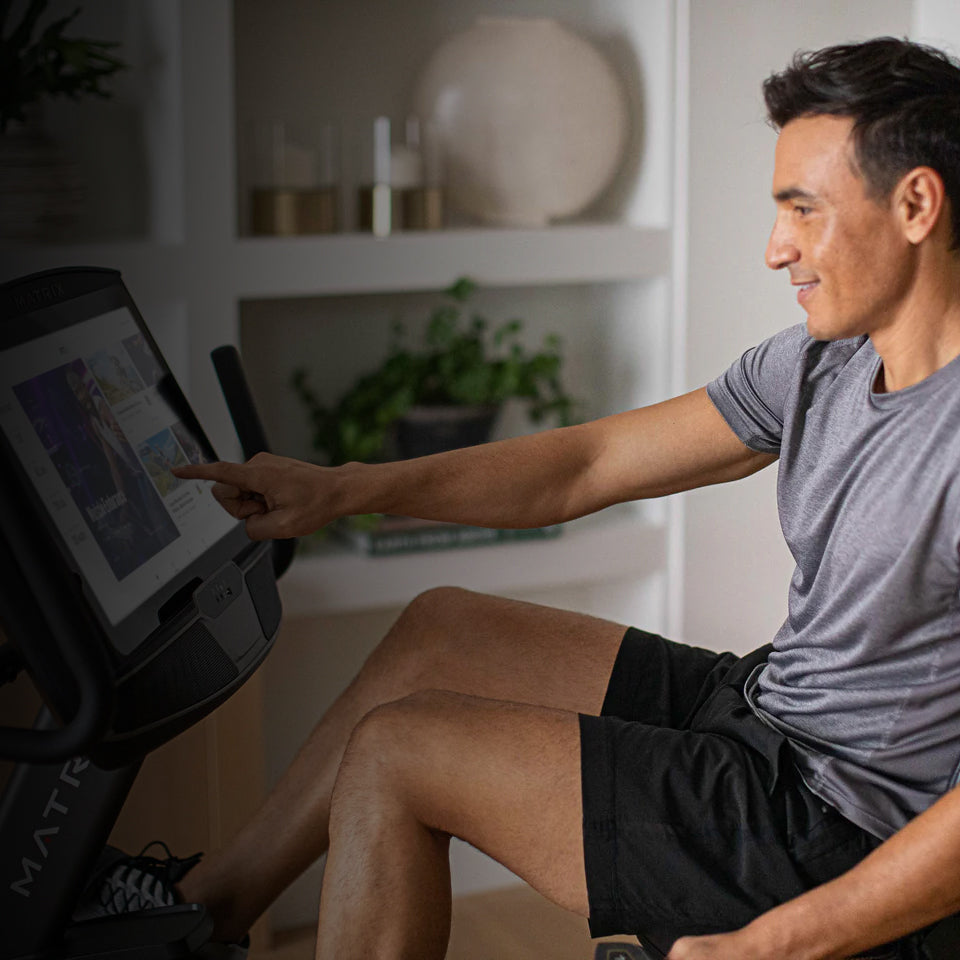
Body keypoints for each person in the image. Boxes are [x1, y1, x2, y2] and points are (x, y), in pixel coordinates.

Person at [167, 37, 960, 960]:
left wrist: (769, 946)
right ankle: (200, 919)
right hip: (767, 708)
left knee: (398, 753)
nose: (775, 248)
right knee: (442, 630)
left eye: (803, 210)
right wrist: (343, 489)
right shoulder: (828, 359)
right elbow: (585, 465)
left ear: (916, 204)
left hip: (832, 822)